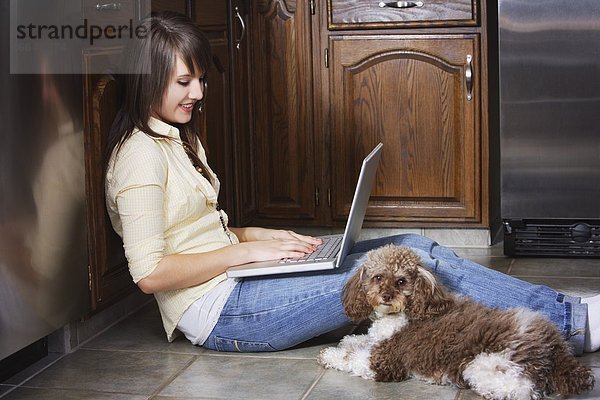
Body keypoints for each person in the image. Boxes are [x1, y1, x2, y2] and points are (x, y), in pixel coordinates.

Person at [105, 11, 599, 355]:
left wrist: (261, 238)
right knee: (410, 268)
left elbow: (197, 232)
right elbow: (150, 273)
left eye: (200, 80)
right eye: (184, 82)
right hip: (224, 313)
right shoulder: (139, 157)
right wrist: (244, 253)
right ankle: (575, 324)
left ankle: (562, 312)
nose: (199, 92)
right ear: (147, 79)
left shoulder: (176, 138)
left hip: (238, 283)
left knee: (410, 246)